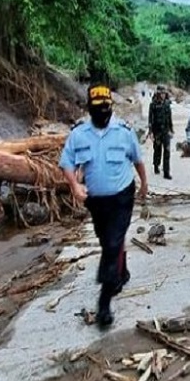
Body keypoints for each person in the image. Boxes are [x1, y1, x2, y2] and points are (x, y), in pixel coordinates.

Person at [59, 84, 148, 327]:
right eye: (98, 110)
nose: (102, 114)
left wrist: (144, 185)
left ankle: (104, 304)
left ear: (111, 108)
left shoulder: (124, 131)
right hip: (96, 201)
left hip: (122, 197)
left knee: (111, 243)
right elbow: (66, 163)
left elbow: (138, 160)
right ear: (90, 109)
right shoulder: (79, 135)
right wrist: (75, 187)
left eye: (106, 110)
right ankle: (122, 269)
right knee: (107, 239)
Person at [146, 85, 174, 179]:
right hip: (157, 131)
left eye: (164, 93)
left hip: (166, 131)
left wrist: (171, 129)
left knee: (167, 151)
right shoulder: (153, 104)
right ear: (158, 93)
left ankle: (166, 172)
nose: (163, 95)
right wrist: (150, 131)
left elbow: (169, 117)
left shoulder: (167, 103)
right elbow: (150, 119)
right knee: (157, 150)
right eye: (161, 93)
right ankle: (156, 165)